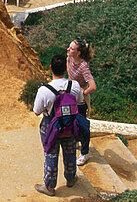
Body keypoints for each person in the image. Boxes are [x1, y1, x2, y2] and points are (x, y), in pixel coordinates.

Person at [33, 54, 84, 196]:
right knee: (70, 152)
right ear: (66, 69)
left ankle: (49, 186)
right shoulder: (74, 85)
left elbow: (36, 112)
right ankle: (71, 178)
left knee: (51, 154)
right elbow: (79, 101)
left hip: (50, 127)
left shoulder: (44, 90)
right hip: (69, 126)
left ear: (50, 68)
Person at [67, 39, 97, 165]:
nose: (68, 50)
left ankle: (85, 153)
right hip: (70, 97)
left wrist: (81, 92)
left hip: (80, 102)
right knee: (71, 121)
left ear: (78, 53)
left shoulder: (84, 66)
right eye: (69, 47)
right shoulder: (69, 58)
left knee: (83, 126)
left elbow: (93, 86)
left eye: (72, 49)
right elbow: (68, 69)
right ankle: (76, 141)